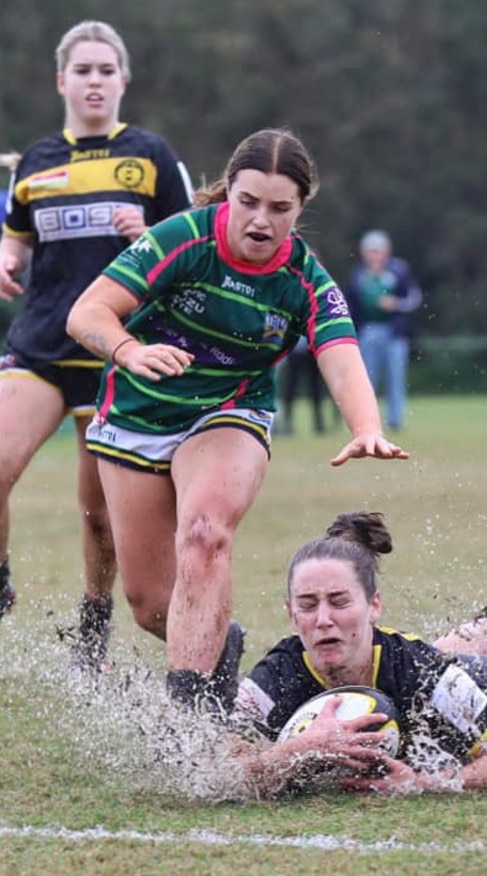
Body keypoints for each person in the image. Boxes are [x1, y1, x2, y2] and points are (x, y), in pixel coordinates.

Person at [66, 127, 409, 708]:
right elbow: (87, 312)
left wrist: (366, 425)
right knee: (152, 605)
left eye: (280, 208)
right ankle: (220, 648)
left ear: (301, 208)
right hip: (138, 414)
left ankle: (193, 722)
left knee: (203, 535)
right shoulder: (183, 240)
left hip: (229, 412)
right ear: (229, 192)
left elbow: (341, 353)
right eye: (247, 202)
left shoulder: (302, 278)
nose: (261, 219)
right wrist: (130, 350)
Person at [0, 21, 193, 672]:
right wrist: (5, 256)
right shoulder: (36, 160)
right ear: (61, 81)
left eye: (105, 70)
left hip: (116, 355)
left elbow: (190, 246)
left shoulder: (152, 155)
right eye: (82, 70)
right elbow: (18, 239)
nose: (93, 81)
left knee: (99, 516)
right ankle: (0, 581)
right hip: (42, 347)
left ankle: (93, 623)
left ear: (123, 81)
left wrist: (150, 230)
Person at [227, 500, 487, 797]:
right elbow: (223, 768)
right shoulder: (276, 675)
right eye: (307, 605)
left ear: (374, 605)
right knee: (419, 661)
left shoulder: (421, 670)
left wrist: (422, 783)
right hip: (430, 671)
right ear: (289, 613)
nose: (323, 620)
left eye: (339, 601)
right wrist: (300, 749)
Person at [346, 230, 422, 431]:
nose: (374, 255)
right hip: (367, 332)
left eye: (377, 251)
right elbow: (351, 304)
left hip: (393, 333)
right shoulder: (359, 275)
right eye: (370, 251)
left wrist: (396, 304)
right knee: (366, 379)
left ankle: (395, 420)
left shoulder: (398, 270)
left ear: (386, 252)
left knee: (395, 378)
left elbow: (414, 298)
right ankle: (367, 421)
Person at [276, 337, 327, 435]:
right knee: (291, 387)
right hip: (296, 352)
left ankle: (318, 422)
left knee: (315, 388)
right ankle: (288, 422)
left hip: (310, 350)